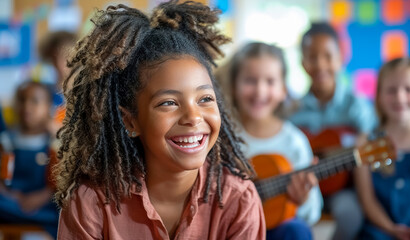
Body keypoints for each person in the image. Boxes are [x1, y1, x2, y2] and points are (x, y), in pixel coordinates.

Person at [54, 1, 265, 239]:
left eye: (205, 98)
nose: (193, 117)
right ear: (130, 121)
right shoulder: (91, 202)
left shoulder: (239, 200)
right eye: (169, 103)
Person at [223, 42, 322, 240]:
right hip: (232, 229)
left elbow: (313, 213)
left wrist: (301, 201)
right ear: (234, 87)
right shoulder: (223, 138)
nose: (260, 91)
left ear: (283, 89)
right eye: (250, 80)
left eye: (270, 81)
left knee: (298, 230)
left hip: (278, 230)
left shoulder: (294, 142)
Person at [289, 22, 378, 240]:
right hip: (302, 189)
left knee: (350, 216)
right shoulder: (293, 111)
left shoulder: (357, 106)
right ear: (302, 62)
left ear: (341, 58)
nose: (320, 65)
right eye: (312, 57)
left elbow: (372, 140)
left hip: (342, 189)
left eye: (328, 56)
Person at [355, 57, 410, 240]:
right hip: (380, 232)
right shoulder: (365, 142)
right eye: (391, 90)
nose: (400, 97)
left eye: (408, 89)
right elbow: (368, 201)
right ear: (378, 96)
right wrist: (390, 229)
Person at [0, 81, 58, 238]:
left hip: (43, 205)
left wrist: (44, 196)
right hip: (12, 201)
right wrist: (9, 195)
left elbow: (59, 182)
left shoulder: (53, 144)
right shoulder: (7, 142)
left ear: (48, 107)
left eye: (35, 101)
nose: (27, 107)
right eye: (21, 100)